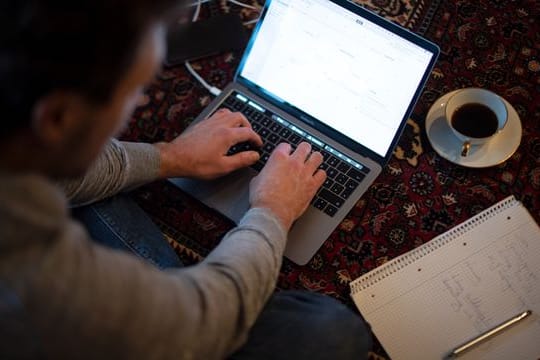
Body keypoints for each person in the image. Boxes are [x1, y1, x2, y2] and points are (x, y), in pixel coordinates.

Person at [0, 0, 371, 359]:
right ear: (57, 119)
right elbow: (202, 324)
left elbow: (65, 182)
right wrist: (273, 209)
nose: (143, 104)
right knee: (335, 331)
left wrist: (170, 157)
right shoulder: (37, 280)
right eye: (134, 91)